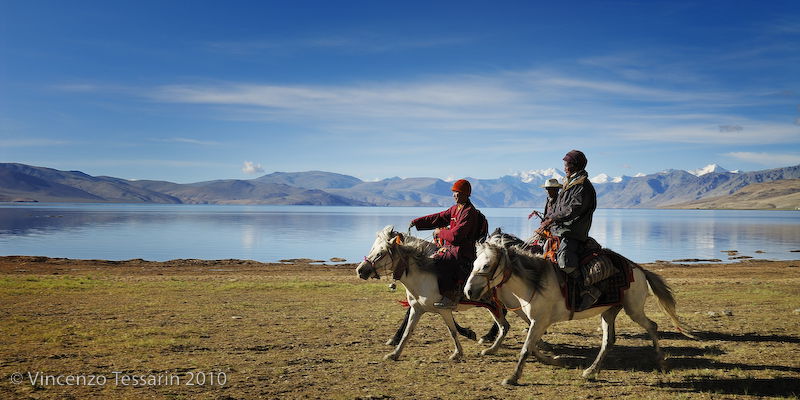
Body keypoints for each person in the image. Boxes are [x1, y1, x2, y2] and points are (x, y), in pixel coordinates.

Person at [536, 150, 599, 309]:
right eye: (565, 165)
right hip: (560, 228)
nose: (565, 168)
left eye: (568, 165)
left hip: (573, 230)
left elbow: (573, 209)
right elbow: (558, 207)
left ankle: (587, 289)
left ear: (576, 165)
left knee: (564, 261)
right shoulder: (569, 183)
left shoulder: (583, 186)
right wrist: (546, 222)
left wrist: (553, 218)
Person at [409, 179, 486, 308]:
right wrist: (417, 222)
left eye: (458, 192)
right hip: (451, 247)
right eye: (454, 192)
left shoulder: (469, 212)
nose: (454, 195)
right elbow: (439, 217)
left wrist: (439, 232)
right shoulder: (455, 209)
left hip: (463, 250)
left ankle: (450, 297)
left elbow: (455, 236)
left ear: (466, 194)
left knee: (440, 262)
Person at [525, 178, 562, 253]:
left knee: (546, 249)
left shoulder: (560, 202)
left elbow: (559, 216)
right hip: (546, 230)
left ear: (556, 190)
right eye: (547, 189)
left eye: (550, 189)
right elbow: (546, 216)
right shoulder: (548, 200)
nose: (547, 191)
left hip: (556, 231)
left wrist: (548, 223)